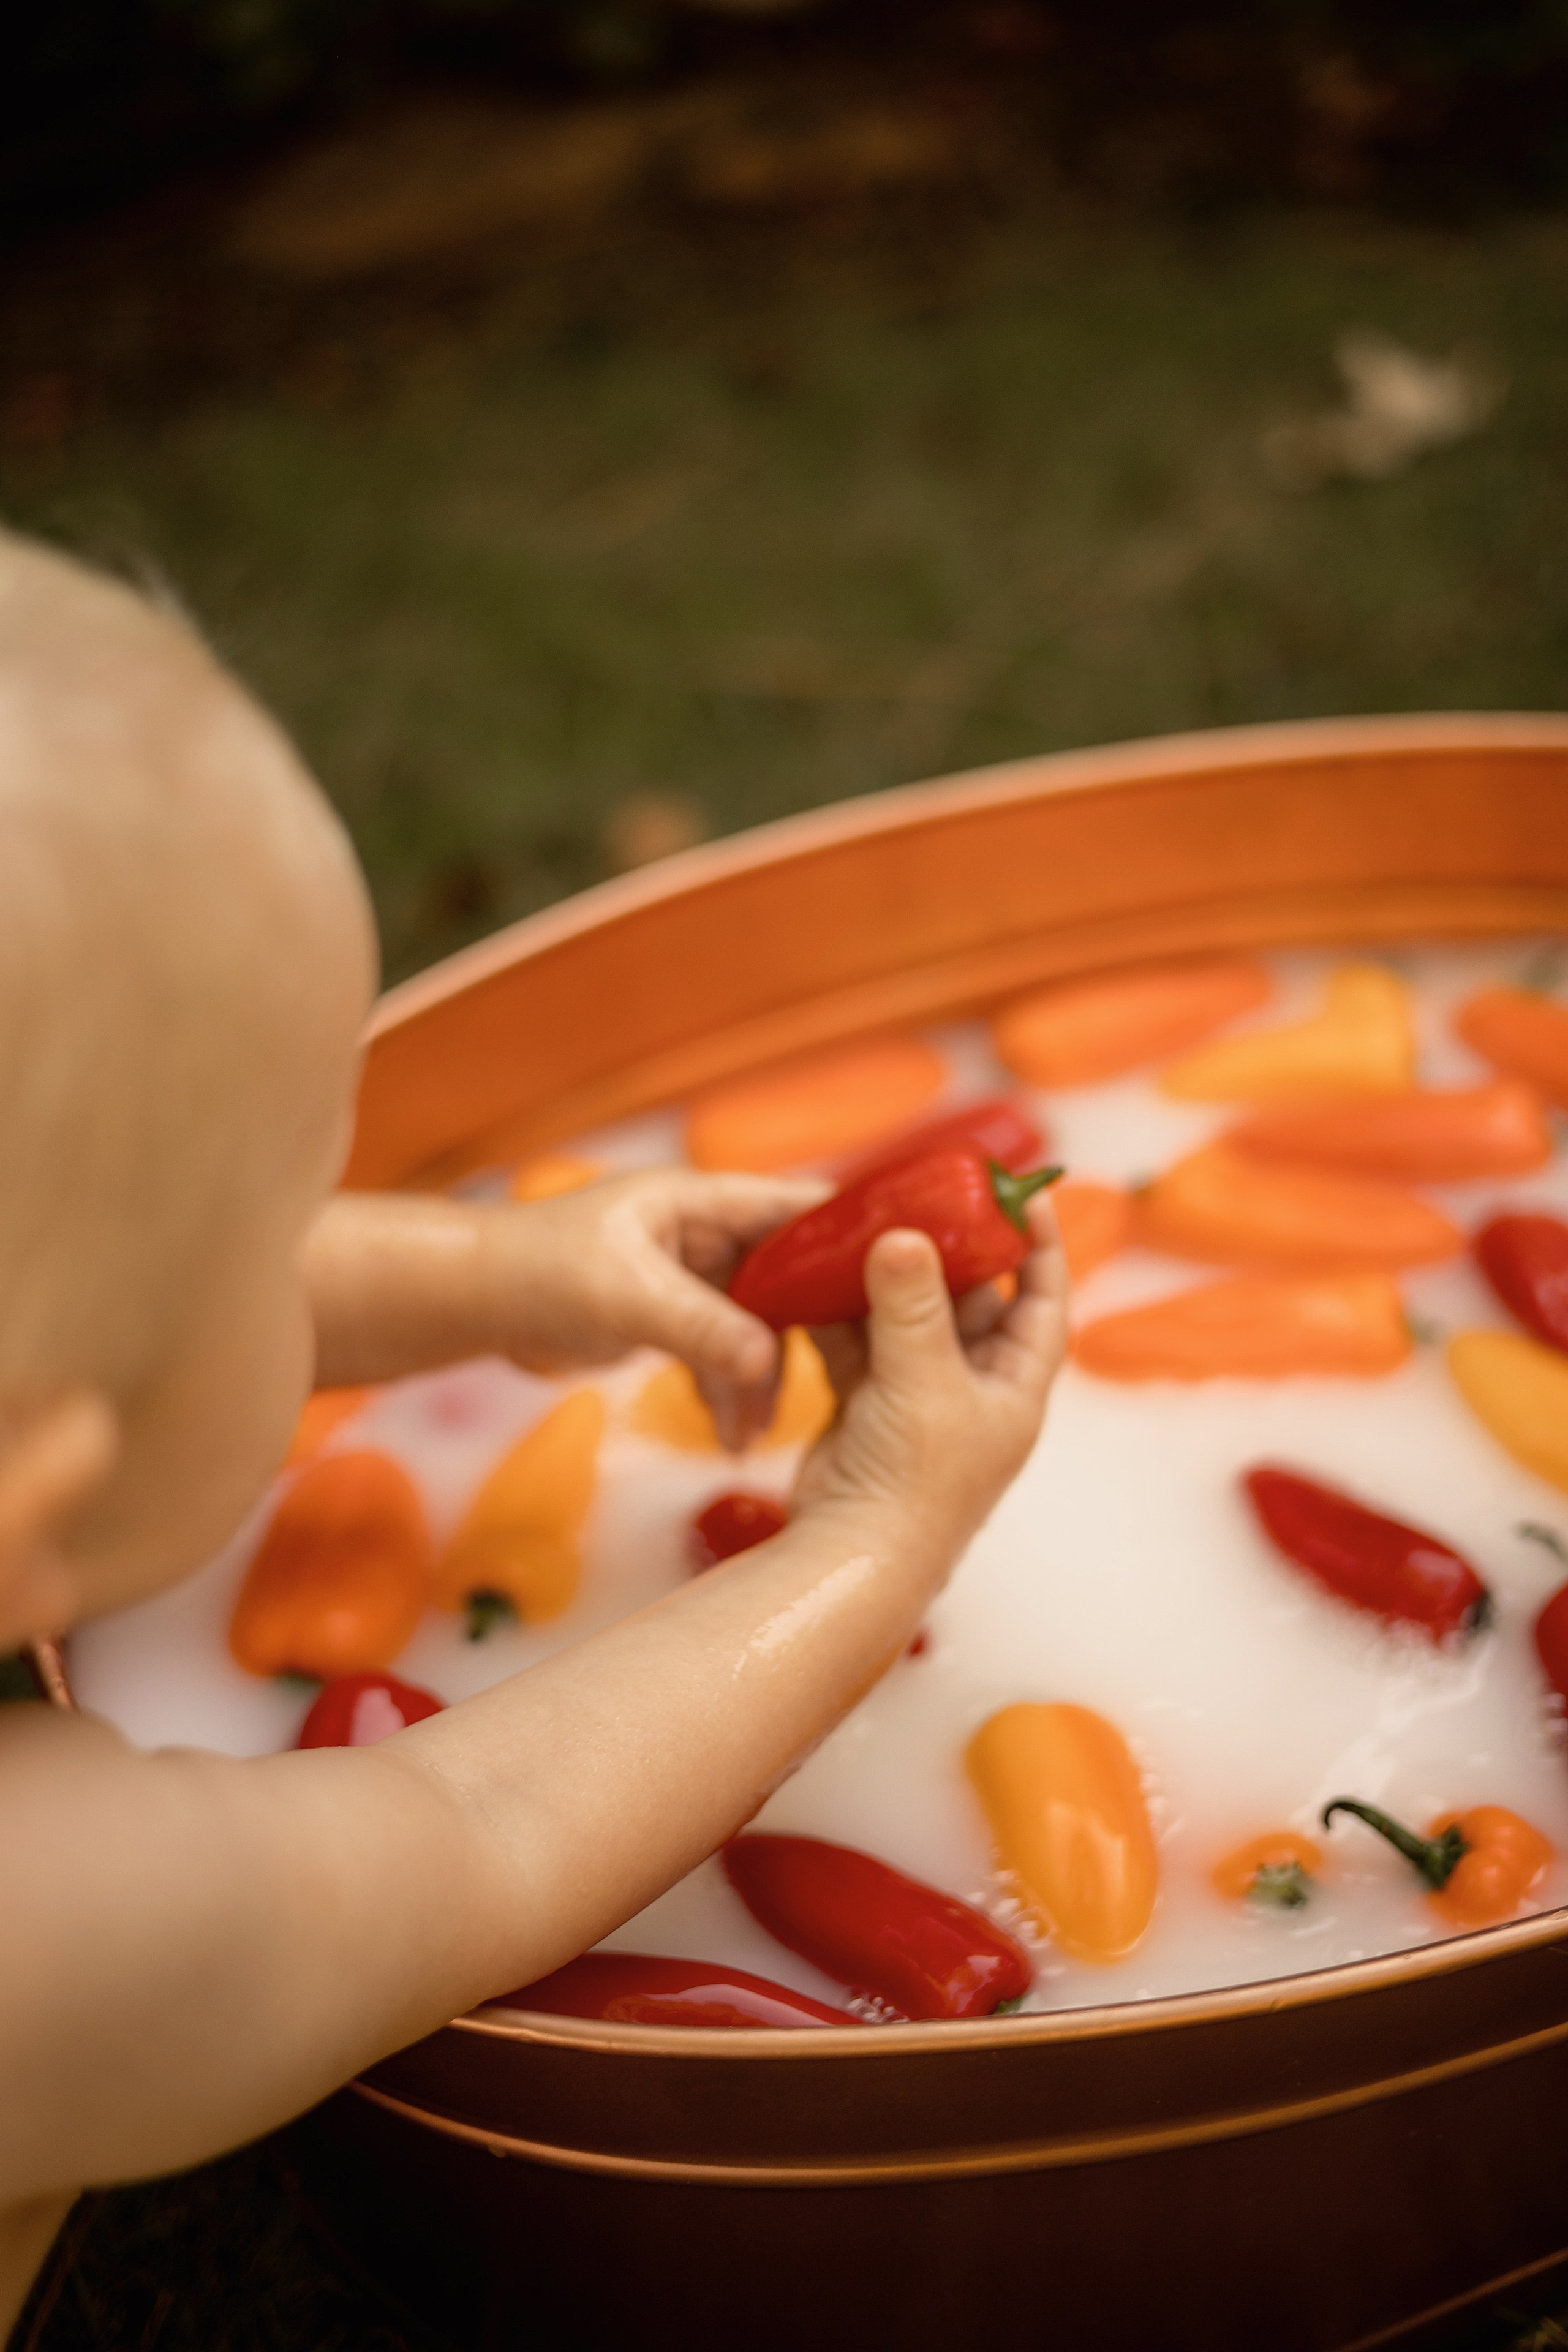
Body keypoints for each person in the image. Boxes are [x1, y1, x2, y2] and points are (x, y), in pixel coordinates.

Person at [0, 532, 1067, 2334]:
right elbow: (473, 1830)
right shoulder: (52, 1931)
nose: (311, 1258)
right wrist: (873, 1537)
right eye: (280, 1239)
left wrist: (500, 1270)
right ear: (41, 1491)